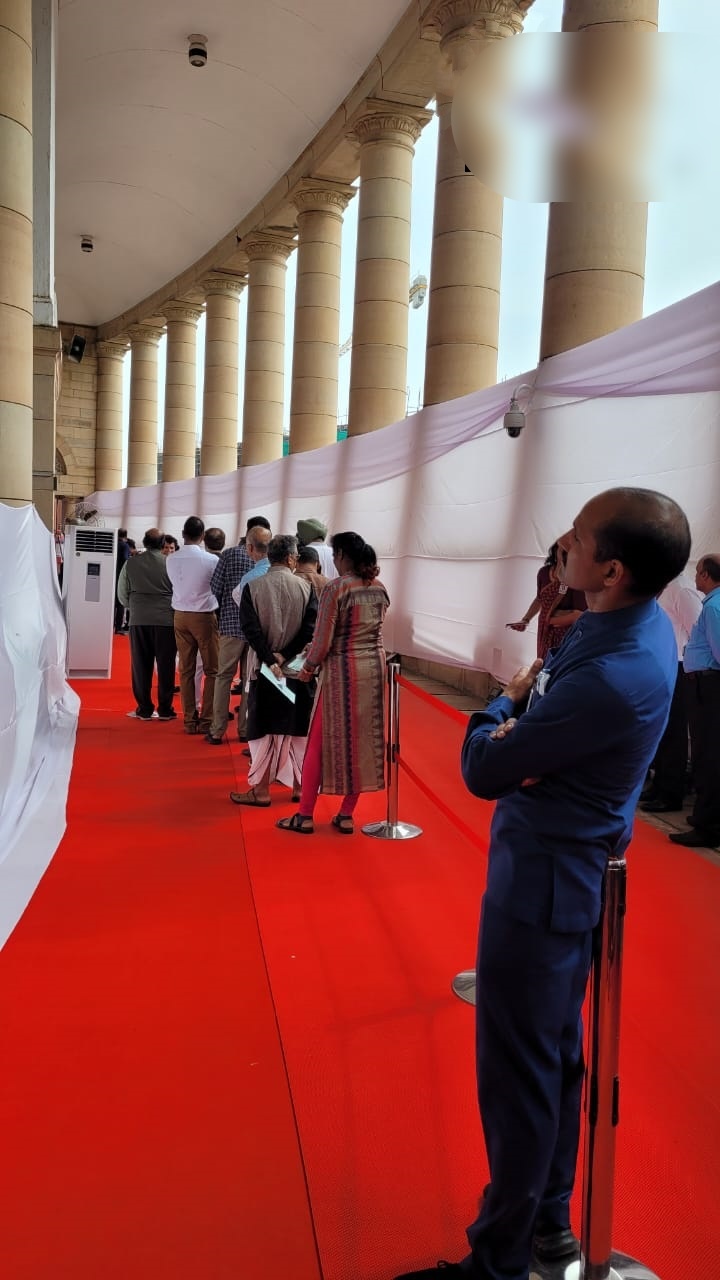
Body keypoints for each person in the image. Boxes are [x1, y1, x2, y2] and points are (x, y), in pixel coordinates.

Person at [393, 488, 690, 1280]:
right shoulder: (619, 623)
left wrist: (500, 706)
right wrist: (525, 710)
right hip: (554, 868)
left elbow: (485, 767)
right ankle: (550, 1224)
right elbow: (547, 683)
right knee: (550, 1064)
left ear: (615, 568)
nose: (564, 543)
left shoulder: (620, 665)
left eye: (580, 538)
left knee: (521, 1077)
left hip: (547, 885)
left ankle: (499, 1259)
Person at [277, 532, 389, 835]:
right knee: (364, 742)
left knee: (317, 740)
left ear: (340, 555)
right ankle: (346, 814)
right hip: (374, 671)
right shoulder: (379, 588)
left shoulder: (336, 589)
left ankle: (304, 815)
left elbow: (323, 640)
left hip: (342, 672)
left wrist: (308, 667)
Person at [230, 535, 317, 807]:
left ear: (269, 556)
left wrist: (270, 659)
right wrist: (286, 655)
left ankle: (261, 790)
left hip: (264, 671)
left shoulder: (253, 587)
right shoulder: (305, 588)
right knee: (299, 730)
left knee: (262, 731)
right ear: (292, 558)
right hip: (296, 671)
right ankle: (301, 789)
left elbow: (250, 630)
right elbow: (309, 630)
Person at [669, 553, 720, 849]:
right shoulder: (712, 603)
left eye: (700, 571)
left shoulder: (712, 607)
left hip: (708, 684)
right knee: (705, 754)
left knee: (707, 755)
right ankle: (706, 815)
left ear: (707, 576)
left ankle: (708, 825)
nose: (696, 576)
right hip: (705, 682)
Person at [640, 572, 702, 813]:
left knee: (674, 730)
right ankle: (660, 784)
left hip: (677, 663)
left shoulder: (682, 589)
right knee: (660, 729)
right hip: (659, 662)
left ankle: (671, 792)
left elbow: (696, 628)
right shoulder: (661, 586)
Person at [208, 517, 271, 745]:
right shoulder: (271, 563)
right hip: (257, 632)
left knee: (223, 676)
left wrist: (225, 609)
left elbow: (215, 587)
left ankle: (217, 730)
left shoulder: (229, 554)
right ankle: (244, 730)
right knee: (248, 679)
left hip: (231, 626)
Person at [165, 516, 219, 736]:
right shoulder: (211, 560)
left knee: (186, 670)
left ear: (183, 534)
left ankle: (189, 720)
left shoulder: (171, 559)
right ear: (203, 536)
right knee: (212, 670)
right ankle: (206, 721)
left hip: (180, 615)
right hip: (204, 616)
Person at [117, 527, 177, 721]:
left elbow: (122, 592)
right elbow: (179, 591)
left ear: (144, 542)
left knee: (141, 665)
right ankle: (166, 709)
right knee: (166, 665)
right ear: (162, 544)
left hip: (139, 619)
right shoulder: (171, 563)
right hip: (166, 620)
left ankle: (144, 709)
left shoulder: (131, 563)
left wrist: (134, 606)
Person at [507, 542, 586, 660]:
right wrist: (525, 620)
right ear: (555, 550)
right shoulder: (544, 573)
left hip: (564, 633)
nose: (566, 553)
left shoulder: (577, 578)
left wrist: (549, 620)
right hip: (544, 630)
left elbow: (579, 615)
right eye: (563, 549)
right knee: (541, 662)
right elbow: (540, 599)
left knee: (556, 666)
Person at [114, 528, 131, 632]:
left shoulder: (113, 543)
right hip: (121, 575)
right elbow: (125, 559)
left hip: (113, 575)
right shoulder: (125, 545)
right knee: (120, 603)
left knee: (112, 603)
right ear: (125, 536)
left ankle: (111, 625)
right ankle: (118, 628)